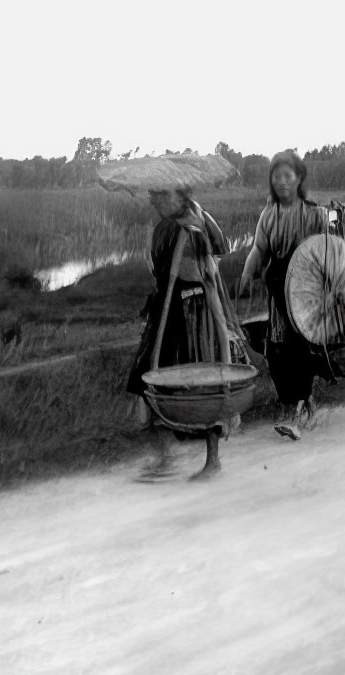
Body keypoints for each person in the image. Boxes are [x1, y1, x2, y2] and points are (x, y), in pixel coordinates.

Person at [127, 189, 242, 481]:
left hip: (196, 312)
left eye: (166, 196)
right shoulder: (164, 228)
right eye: (155, 197)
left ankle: (212, 460)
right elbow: (160, 272)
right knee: (149, 377)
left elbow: (216, 253)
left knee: (203, 380)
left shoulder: (198, 222)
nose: (159, 202)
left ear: (182, 195)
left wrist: (193, 232)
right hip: (166, 312)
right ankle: (165, 456)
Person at [238, 151, 328, 441]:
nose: (282, 182)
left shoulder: (316, 214)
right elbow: (259, 249)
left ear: (299, 178)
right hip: (277, 293)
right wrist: (245, 274)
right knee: (276, 352)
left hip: (305, 295)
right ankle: (294, 406)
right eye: (276, 176)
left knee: (300, 349)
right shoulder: (269, 214)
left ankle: (298, 411)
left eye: (288, 175)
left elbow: (329, 255)